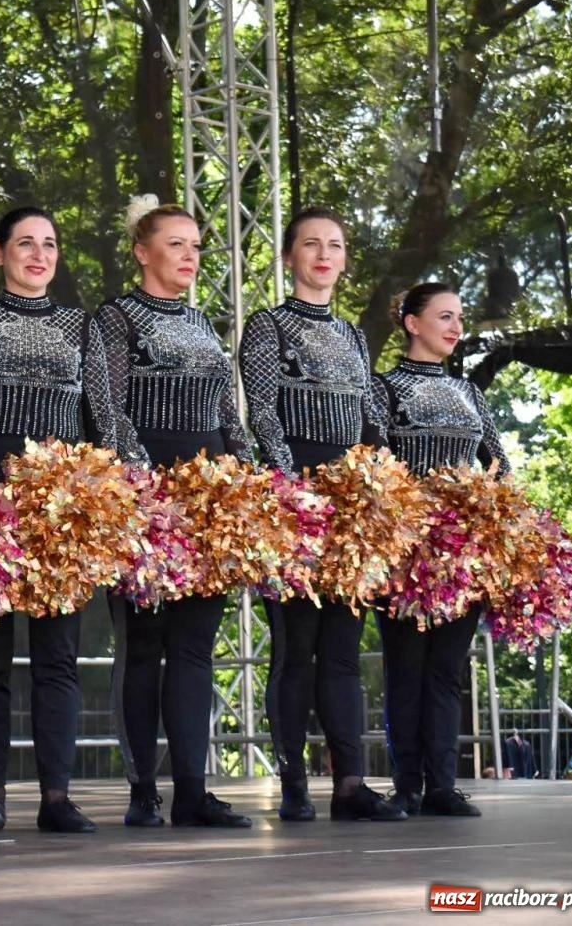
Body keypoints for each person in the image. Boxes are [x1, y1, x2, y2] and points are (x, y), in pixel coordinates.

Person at [0, 207, 118, 835]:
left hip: (62, 505)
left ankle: (56, 797)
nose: (38, 254)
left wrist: (103, 488)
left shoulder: (81, 326)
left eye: (49, 244)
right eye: (25, 243)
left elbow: (103, 414)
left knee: (57, 656)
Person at [238, 208, 406, 822]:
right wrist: (296, 490)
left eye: (334, 245)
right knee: (295, 648)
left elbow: (371, 419)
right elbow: (263, 412)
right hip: (296, 499)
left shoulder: (355, 336)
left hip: (354, 501)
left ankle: (351, 783)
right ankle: (292, 784)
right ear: (289, 258)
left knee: (342, 649)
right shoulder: (267, 326)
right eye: (311, 244)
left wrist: (377, 482)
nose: (324, 254)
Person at [95, 195, 254, 829]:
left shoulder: (204, 325)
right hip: (143, 496)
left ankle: (192, 789)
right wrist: (146, 487)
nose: (189, 257)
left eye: (196, 247)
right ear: (142, 251)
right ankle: (142, 789)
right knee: (142, 643)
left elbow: (224, 411)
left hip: (210, 495)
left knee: (194, 648)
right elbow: (107, 408)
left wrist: (242, 473)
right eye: (176, 245)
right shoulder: (115, 318)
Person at [372, 281, 509, 818]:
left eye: (458, 318)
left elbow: (499, 466)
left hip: (462, 554)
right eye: (444, 316)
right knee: (405, 666)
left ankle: (443, 786)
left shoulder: (470, 393)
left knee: (447, 670)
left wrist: (495, 523)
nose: (455, 327)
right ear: (412, 323)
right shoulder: (382, 389)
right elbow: (378, 464)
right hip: (405, 548)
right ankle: (407, 783)